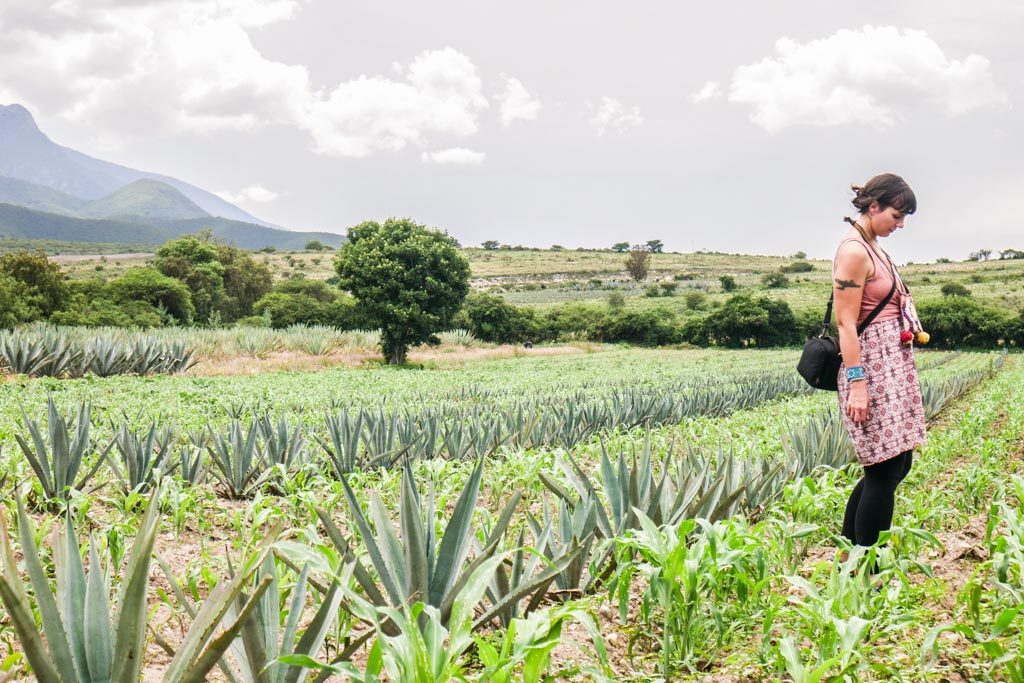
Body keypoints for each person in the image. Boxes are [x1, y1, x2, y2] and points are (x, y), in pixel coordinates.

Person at [832, 173, 926, 550]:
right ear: (874, 208)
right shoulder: (854, 250)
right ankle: (867, 566)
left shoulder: (874, 247)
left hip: (892, 364)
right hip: (870, 367)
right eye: (897, 216)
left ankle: (849, 552)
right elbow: (845, 322)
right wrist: (858, 384)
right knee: (883, 469)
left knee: (896, 465)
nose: (900, 225)